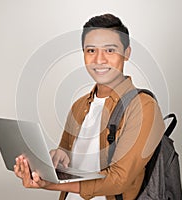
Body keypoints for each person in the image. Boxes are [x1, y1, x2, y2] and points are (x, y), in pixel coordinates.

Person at [14, 13, 165, 200]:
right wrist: (50, 164)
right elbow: (67, 158)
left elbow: (119, 180)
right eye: (91, 50)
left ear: (127, 53)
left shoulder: (143, 107)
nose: (99, 60)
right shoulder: (79, 106)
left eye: (110, 50)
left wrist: (48, 184)